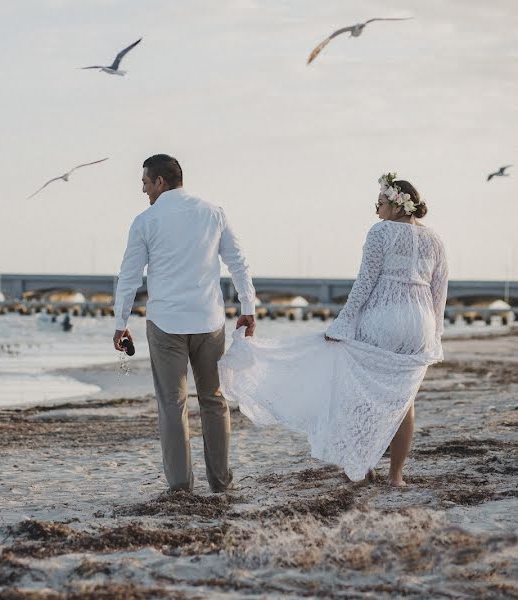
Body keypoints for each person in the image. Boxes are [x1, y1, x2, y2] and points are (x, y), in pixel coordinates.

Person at [218, 174, 448, 486]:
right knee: (403, 400)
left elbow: (365, 283)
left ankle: (363, 466)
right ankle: (396, 476)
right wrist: (433, 335)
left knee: (361, 394)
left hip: (383, 319)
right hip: (419, 323)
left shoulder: (381, 232)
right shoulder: (434, 239)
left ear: (396, 206)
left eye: (379, 203)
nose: (376, 210)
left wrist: (342, 324)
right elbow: (439, 293)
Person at [112, 154, 256, 494]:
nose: (144, 190)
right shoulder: (213, 212)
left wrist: (120, 322)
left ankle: (180, 486)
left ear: (160, 181)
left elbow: (129, 275)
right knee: (213, 399)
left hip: (166, 324)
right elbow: (238, 261)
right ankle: (221, 482)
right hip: (209, 321)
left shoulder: (145, 221)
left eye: (146, 183)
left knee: (172, 405)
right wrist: (247, 306)